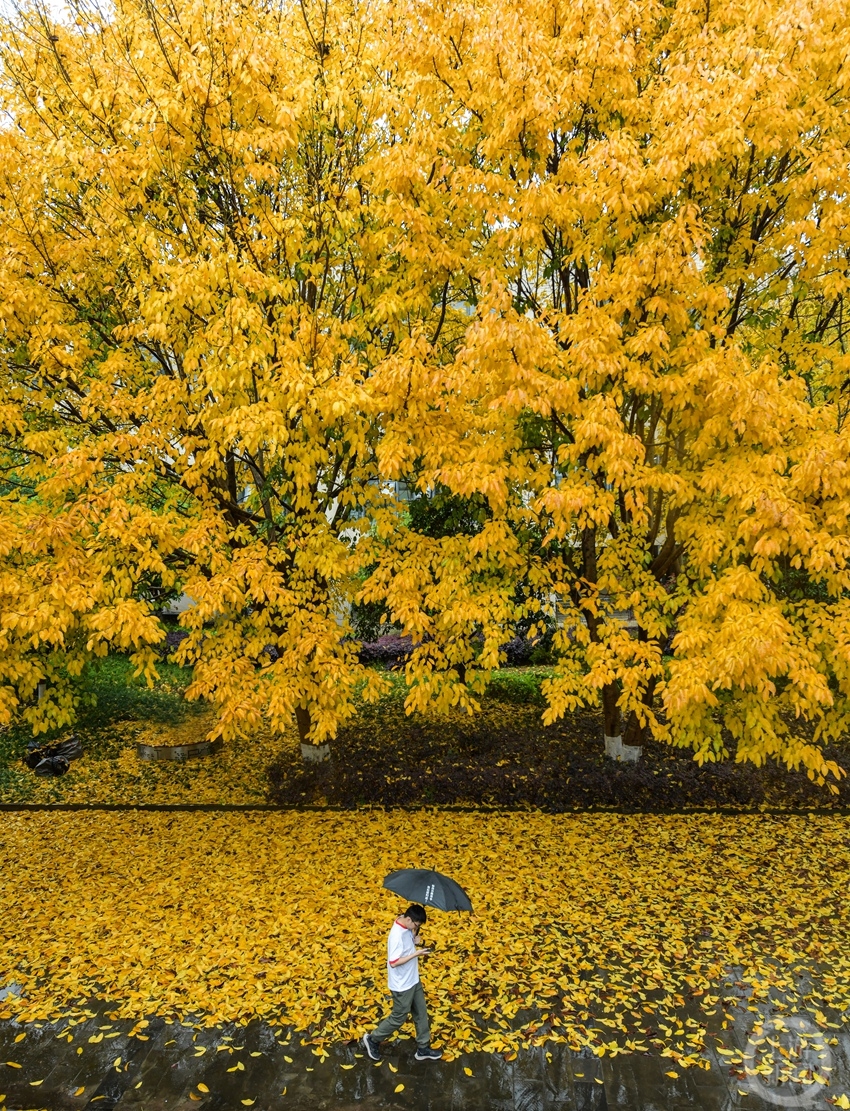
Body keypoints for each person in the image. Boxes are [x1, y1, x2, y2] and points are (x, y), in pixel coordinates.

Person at [363, 904, 442, 1061]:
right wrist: (416, 954)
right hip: (402, 985)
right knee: (399, 1017)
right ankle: (373, 1039)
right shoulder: (396, 936)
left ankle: (423, 1048)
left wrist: (414, 940)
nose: (416, 927)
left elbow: (408, 941)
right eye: (416, 925)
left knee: (421, 1012)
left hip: (413, 979)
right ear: (408, 919)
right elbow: (393, 962)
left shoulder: (404, 922)